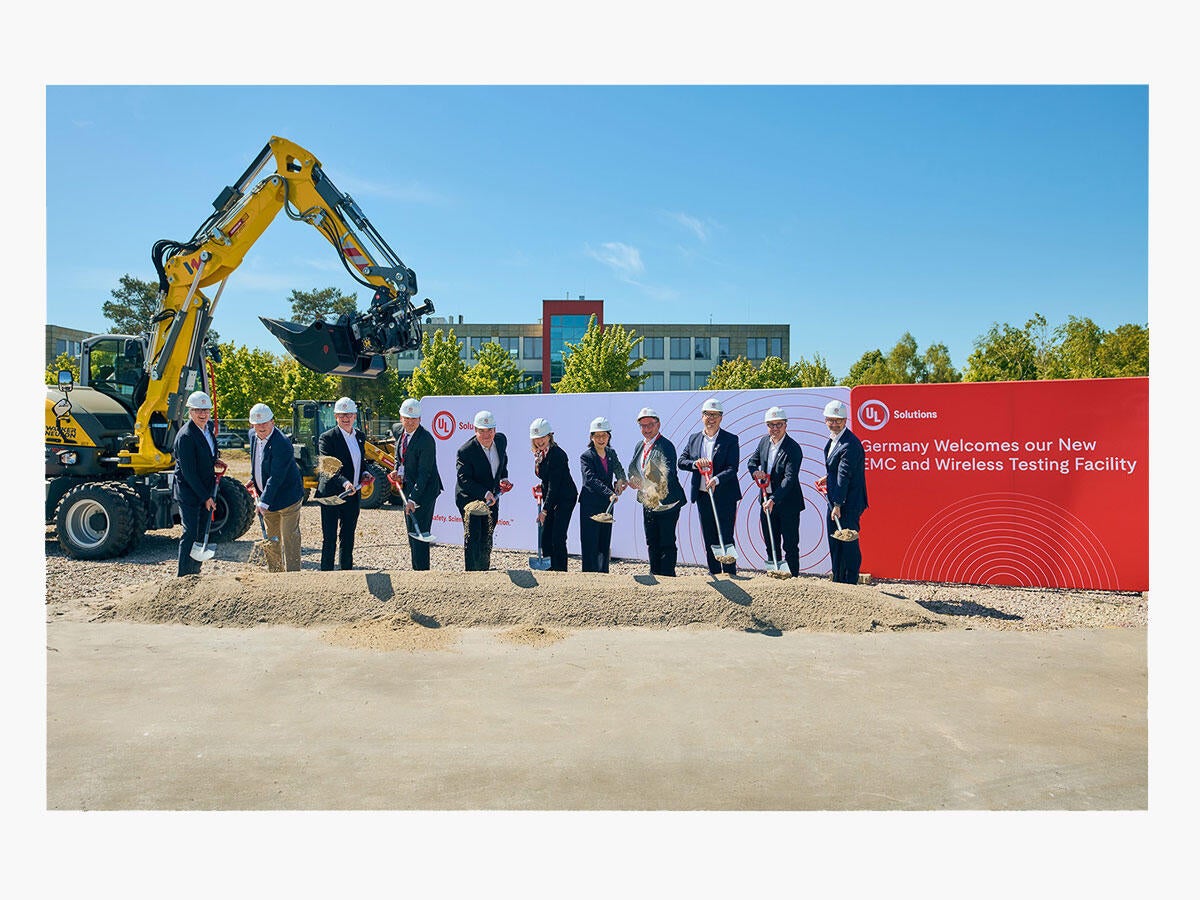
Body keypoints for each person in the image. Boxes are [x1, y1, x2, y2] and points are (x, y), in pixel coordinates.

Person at [678, 398, 743, 576]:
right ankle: (714, 572)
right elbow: (681, 461)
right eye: (707, 414)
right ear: (702, 417)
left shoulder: (730, 439)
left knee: (726, 534)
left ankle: (730, 573)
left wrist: (716, 479)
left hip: (724, 495)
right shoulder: (694, 439)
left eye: (715, 415)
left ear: (721, 418)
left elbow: (732, 468)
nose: (711, 418)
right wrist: (695, 463)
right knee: (709, 536)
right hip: (702, 495)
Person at [625, 407, 686, 577]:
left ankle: (667, 577)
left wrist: (645, 483)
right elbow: (634, 468)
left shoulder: (666, 446)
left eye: (650, 425)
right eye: (643, 426)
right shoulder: (640, 445)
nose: (646, 429)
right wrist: (633, 478)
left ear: (658, 424)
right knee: (651, 540)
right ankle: (654, 573)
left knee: (666, 541)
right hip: (648, 501)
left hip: (667, 502)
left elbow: (668, 474)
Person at [746, 405, 805, 577]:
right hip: (766, 502)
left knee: (790, 544)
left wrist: (774, 498)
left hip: (787, 504)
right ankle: (774, 575)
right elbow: (751, 461)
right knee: (771, 542)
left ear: (786, 425)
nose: (775, 428)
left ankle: (792, 577)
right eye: (771, 425)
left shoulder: (793, 448)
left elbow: (790, 478)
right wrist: (754, 472)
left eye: (778, 424)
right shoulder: (764, 442)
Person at [247, 402, 305, 572]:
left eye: (265, 423)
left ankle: (293, 575)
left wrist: (263, 502)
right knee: (272, 538)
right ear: (252, 424)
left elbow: (276, 476)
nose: (261, 427)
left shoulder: (282, 442)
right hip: (268, 497)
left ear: (273, 421)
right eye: (257, 424)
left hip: (288, 497)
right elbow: (257, 462)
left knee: (289, 536)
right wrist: (254, 479)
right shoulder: (252, 435)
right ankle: (275, 573)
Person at [816, 399, 869, 584]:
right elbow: (837, 471)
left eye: (839, 420)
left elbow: (844, 475)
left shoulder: (849, 444)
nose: (835, 423)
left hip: (848, 503)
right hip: (837, 499)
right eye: (831, 420)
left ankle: (850, 584)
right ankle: (839, 582)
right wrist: (827, 478)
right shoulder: (834, 440)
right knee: (835, 543)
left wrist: (837, 504)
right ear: (825, 421)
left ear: (845, 421)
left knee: (848, 543)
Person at [316, 396, 368, 571]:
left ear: (355, 416)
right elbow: (329, 466)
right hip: (331, 494)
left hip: (353, 495)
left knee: (348, 536)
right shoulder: (327, 438)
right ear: (336, 416)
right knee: (329, 537)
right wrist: (345, 483)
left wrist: (365, 473)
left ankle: (346, 573)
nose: (346, 418)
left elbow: (361, 461)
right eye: (342, 415)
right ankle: (327, 575)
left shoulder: (360, 436)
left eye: (349, 415)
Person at [455, 410, 511, 571]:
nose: (486, 435)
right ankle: (472, 574)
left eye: (490, 430)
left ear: (495, 430)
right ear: (475, 430)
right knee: (474, 536)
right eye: (482, 431)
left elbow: (502, 461)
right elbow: (464, 479)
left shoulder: (500, 441)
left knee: (488, 533)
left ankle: (484, 569)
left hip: (492, 497)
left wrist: (503, 478)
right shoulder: (465, 451)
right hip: (470, 499)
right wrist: (485, 493)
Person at [172, 390, 220, 577]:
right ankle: (183, 575)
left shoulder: (207, 431)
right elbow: (189, 472)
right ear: (190, 412)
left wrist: (215, 461)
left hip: (204, 489)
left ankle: (195, 573)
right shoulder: (186, 436)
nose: (203, 414)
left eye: (206, 410)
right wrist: (206, 497)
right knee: (190, 532)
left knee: (201, 532)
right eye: (198, 410)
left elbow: (207, 454)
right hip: (190, 492)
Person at [394, 397, 443, 571]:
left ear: (420, 419)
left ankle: (422, 573)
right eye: (407, 418)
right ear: (401, 418)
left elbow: (425, 473)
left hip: (425, 491)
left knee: (420, 532)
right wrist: (397, 472)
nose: (410, 422)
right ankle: (415, 570)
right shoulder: (401, 433)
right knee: (411, 533)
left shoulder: (426, 439)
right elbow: (399, 459)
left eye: (414, 419)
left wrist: (413, 499)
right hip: (408, 488)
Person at [578, 416, 627, 573]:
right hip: (590, 504)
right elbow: (590, 479)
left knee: (604, 541)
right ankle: (589, 575)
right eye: (597, 435)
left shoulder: (611, 453)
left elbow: (619, 470)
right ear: (591, 437)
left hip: (607, 504)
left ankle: (603, 574)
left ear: (609, 436)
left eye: (604, 435)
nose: (601, 439)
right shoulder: (586, 456)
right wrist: (609, 493)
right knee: (590, 541)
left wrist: (620, 481)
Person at [530, 417, 578, 572]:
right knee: (545, 536)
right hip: (552, 495)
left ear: (549, 436)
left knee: (558, 536)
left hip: (565, 497)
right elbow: (548, 479)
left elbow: (555, 485)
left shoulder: (557, 455)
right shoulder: (539, 454)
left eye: (542, 437)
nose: (539, 441)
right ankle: (548, 570)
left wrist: (545, 510)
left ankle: (560, 572)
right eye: (536, 438)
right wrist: (541, 485)